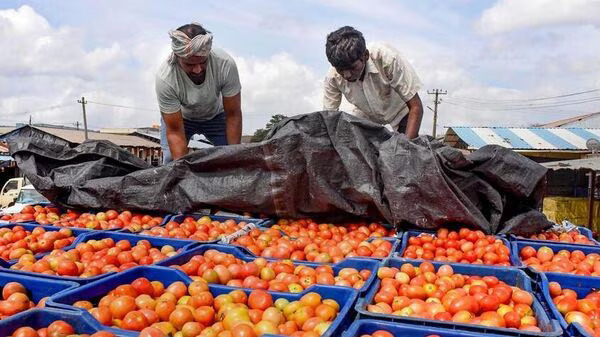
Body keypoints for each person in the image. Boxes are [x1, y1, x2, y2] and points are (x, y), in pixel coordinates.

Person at [156, 23, 242, 164]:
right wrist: (180, 171)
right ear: (177, 57)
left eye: (203, 62)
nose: (197, 70)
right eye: (189, 64)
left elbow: (233, 115)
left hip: (216, 116)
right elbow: (175, 131)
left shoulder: (225, 64)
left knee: (229, 159)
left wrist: (233, 160)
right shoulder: (166, 78)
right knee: (171, 162)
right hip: (181, 119)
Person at [323, 26, 423, 139]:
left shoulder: (387, 59)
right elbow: (329, 119)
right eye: (340, 69)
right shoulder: (332, 78)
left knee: (404, 149)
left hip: (400, 111)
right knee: (357, 148)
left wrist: (406, 148)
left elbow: (416, 106)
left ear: (365, 55)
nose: (347, 75)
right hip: (365, 116)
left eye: (352, 68)